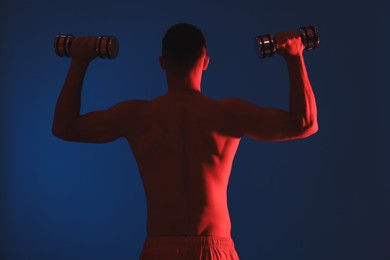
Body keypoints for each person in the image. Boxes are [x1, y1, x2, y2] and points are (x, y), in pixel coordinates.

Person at [52, 23, 318, 260]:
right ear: (205, 61)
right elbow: (305, 124)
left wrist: (79, 60)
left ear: (162, 62)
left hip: (161, 250)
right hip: (216, 249)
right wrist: (295, 57)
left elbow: (65, 127)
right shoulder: (228, 114)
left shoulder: (136, 116)